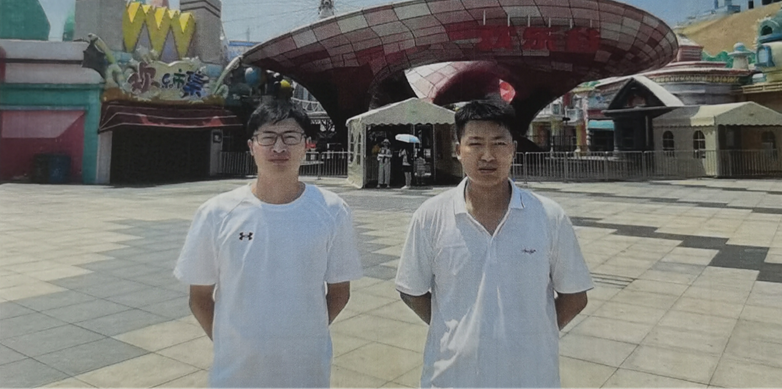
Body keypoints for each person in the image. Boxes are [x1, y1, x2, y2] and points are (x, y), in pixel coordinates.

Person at [395, 98, 593, 389]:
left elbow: (574, 296)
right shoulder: (430, 216)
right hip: (452, 377)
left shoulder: (549, 216)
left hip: (530, 377)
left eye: (499, 144)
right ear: (458, 150)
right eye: (475, 144)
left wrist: (532, 334)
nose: (487, 156)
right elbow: (412, 291)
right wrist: (456, 331)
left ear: (513, 149)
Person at [174, 99, 363, 388]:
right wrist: (230, 343)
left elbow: (340, 291)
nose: (279, 147)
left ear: (307, 145)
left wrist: (303, 335)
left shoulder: (332, 210)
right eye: (268, 137)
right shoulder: (216, 213)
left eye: (290, 137)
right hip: (235, 375)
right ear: (251, 146)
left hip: (306, 372)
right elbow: (199, 297)